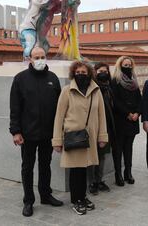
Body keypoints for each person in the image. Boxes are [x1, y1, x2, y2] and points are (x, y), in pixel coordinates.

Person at [9, 46, 63, 217]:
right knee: (27, 167)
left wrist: (59, 132)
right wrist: (15, 131)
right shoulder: (20, 79)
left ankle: (46, 195)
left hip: (48, 133)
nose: (40, 59)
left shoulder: (53, 79)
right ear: (30, 59)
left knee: (45, 166)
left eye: (42, 56)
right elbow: (15, 108)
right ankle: (28, 201)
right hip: (28, 134)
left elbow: (59, 109)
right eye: (36, 57)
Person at [52, 61, 108, 215]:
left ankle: (82, 197)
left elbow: (102, 116)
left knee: (84, 170)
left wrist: (102, 136)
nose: (81, 75)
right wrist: (56, 141)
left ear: (89, 73)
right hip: (73, 137)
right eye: (78, 72)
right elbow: (58, 117)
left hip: (89, 138)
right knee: (76, 171)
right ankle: (76, 200)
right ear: (73, 74)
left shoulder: (96, 91)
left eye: (84, 72)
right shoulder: (66, 91)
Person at [111, 56, 142, 185]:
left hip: (133, 120)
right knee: (118, 149)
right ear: (120, 65)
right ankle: (118, 174)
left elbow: (140, 99)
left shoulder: (134, 81)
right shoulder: (115, 81)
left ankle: (128, 173)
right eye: (125, 65)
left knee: (129, 148)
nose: (127, 67)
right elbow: (115, 101)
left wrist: (137, 113)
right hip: (120, 120)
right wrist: (128, 113)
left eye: (129, 65)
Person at [87, 62, 116, 195]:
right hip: (94, 126)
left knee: (102, 155)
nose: (103, 73)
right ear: (94, 72)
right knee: (92, 156)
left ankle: (99, 180)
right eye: (100, 71)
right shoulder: (91, 87)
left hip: (106, 127)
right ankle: (92, 182)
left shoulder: (109, 87)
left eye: (105, 71)